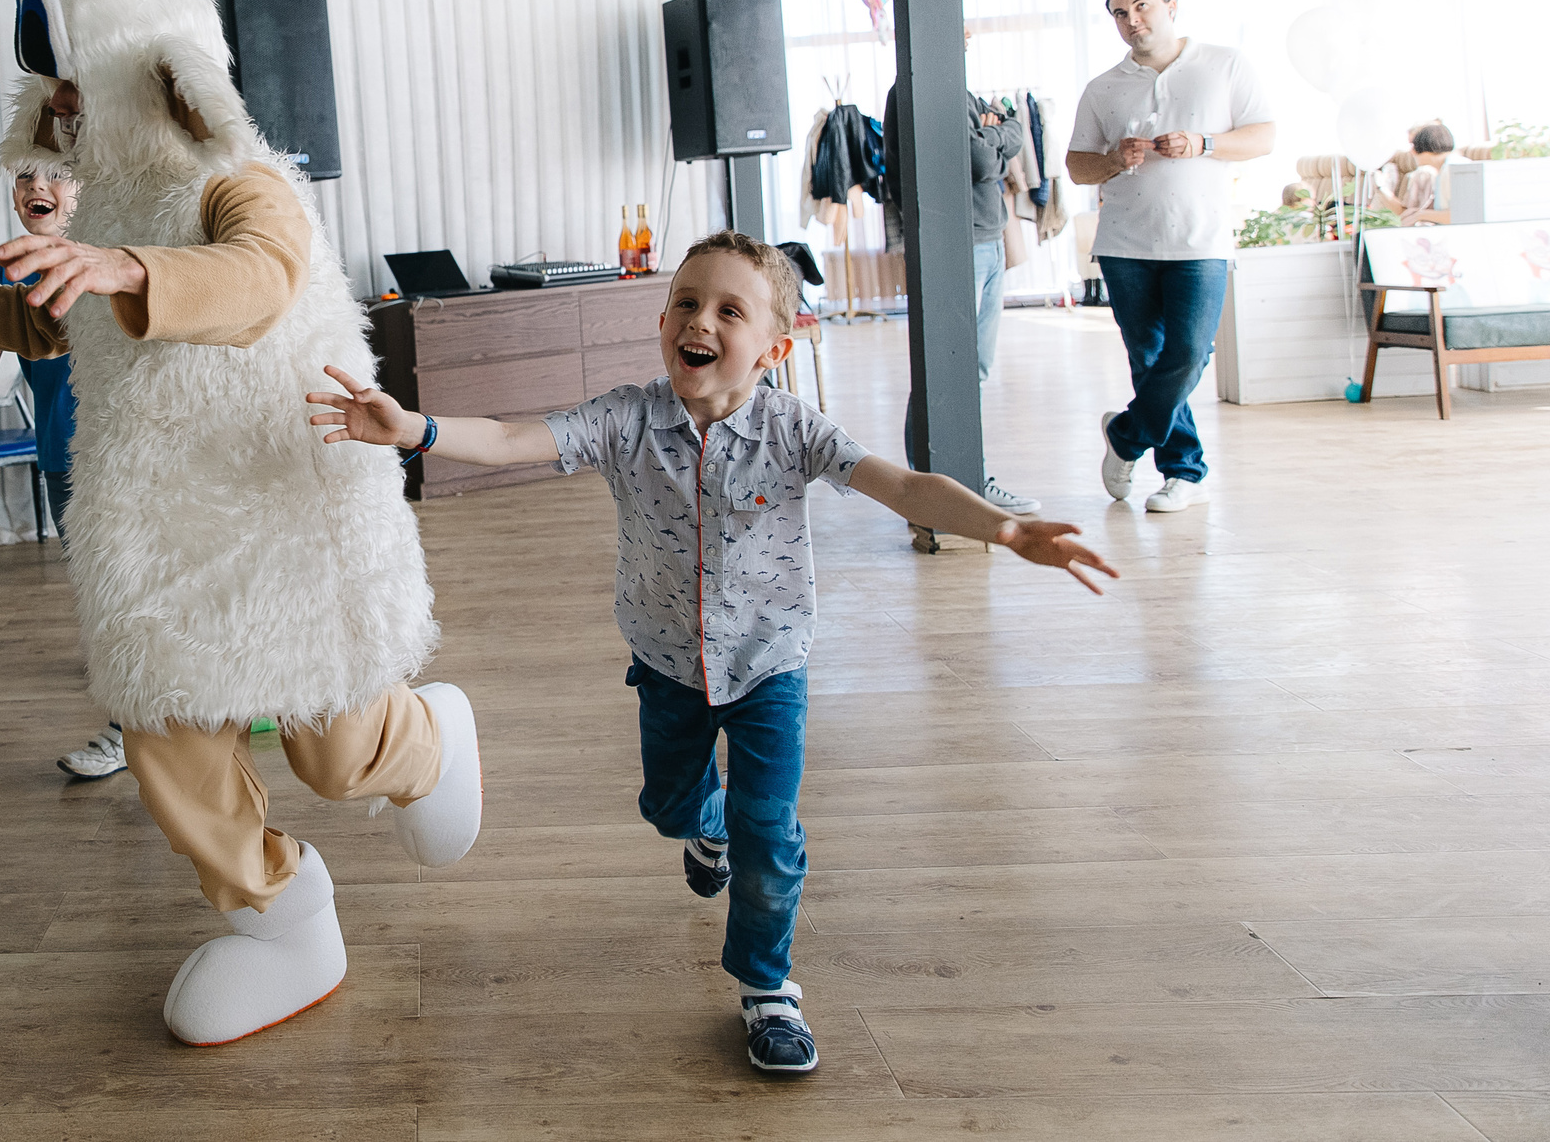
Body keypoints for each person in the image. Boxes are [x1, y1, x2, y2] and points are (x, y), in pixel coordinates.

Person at [0, 0, 480, 1047]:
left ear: (147, 73)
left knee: (329, 743)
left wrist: (122, 266)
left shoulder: (242, 182)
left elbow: (264, 279)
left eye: (83, 86)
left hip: (280, 500)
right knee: (167, 730)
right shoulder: (103, 209)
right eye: (54, 91)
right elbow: (39, 321)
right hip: (160, 523)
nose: (64, 110)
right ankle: (280, 918)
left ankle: (424, 740)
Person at [307, 231, 1118, 1075]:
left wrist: (1006, 528)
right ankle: (706, 828)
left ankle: (769, 988)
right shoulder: (626, 420)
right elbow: (515, 440)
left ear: (775, 344)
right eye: (687, 303)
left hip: (770, 668)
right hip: (666, 664)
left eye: (730, 309)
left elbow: (903, 486)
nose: (701, 319)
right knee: (669, 807)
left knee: (771, 831)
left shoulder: (795, 430)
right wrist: (414, 428)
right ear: (664, 321)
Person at [1065, 0, 1275, 514]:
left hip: (1201, 240)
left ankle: (1128, 436)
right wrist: (1115, 158)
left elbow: (1262, 136)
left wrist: (1203, 142)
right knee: (1147, 357)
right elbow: (1077, 167)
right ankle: (1183, 471)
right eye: (1119, 13)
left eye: (1142, 7)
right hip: (1125, 244)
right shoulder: (1103, 86)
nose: (1132, 20)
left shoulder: (1224, 64)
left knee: (1187, 354)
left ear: (1171, 6)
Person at [0, 166, 122, 780]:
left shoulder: (117, 254)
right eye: (23, 174)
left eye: (56, 174)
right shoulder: (8, 270)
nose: (34, 186)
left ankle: (133, 727)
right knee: (100, 596)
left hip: (124, 455)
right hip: (60, 455)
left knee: (130, 591)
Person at [885, 25, 1039, 516]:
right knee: (944, 370)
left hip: (987, 240)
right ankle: (943, 486)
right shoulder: (917, 90)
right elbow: (978, 159)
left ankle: (958, 482)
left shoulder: (962, 92)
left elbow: (1016, 133)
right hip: (952, 245)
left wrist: (996, 132)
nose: (965, 39)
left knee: (972, 368)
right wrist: (997, 134)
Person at [1370, 121, 1456, 225]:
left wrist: (1421, 215)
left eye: (1413, 145)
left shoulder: (1451, 170)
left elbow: (1462, 215)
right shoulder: (1443, 170)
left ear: (1426, 146)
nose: (1411, 152)